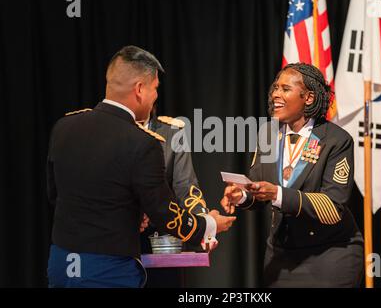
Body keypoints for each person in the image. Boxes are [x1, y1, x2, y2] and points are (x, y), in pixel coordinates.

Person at [47, 45, 236, 288]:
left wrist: (128, 214)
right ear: (139, 89)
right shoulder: (142, 143)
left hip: (61, 264)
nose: (156, 95)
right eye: (155, 88)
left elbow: (55, 195)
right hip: (109, 270)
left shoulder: (63, 127)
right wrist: (209, 225)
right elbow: (165, 215)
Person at [221, 63, 363, 287]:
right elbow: (258, 188)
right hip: (281, 257)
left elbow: (332, 206)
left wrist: (277, 193)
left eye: (285, 89)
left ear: (308, 98)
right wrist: (242, 196)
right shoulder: (268, 133)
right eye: (276, 88)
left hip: (330, 255)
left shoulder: (336, 140)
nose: (275, 94)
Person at [140, 107, 208, 287]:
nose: (155, 92)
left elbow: (186, 187)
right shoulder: (109, 129)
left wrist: (202, 224)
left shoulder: (172, 132)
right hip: (118, 243)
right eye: (152, 86)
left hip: (162, 244)